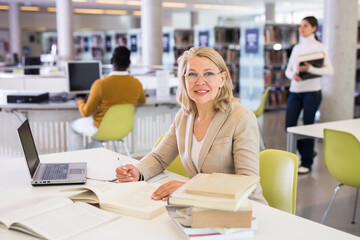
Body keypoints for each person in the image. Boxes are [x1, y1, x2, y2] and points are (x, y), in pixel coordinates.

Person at [116, 47, 267, 205]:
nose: (200, 82)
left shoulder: (242, 118)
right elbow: (159, 158)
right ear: (184, 80)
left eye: (208, 73)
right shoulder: (184, 116)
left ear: (222, 79)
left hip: (243, 209)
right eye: (192, 74)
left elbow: (248, 183)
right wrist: (137, 171)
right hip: (200, 205)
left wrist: (189, 187)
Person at [68, 46, 146, 150]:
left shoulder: (100, 84)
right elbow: (142, 100)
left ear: (111, 61)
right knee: (96, 138)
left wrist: (80, 101)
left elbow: (85, 112)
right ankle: (93, 153)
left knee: (73, 126)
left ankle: (77, 160)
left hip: (101, 128)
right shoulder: (137, 83)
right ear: (129, 64)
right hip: (123, 129)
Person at [285, 16, 333, 174]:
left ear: (314, 28)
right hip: (295, 91)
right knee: (289, 126)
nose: (301, 28)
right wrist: (293, 76)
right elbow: (288, 70)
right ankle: (308, 151)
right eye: (300, 25)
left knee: (308, 126)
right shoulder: (297, 48)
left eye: (305, 25)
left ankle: (307, 162)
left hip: (312, 92)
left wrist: (310, 69)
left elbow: (329, 71)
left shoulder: (320, 47)